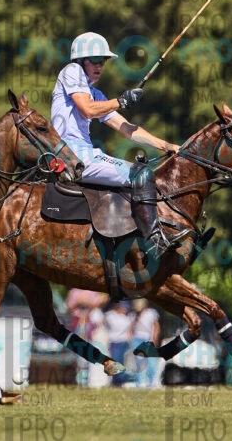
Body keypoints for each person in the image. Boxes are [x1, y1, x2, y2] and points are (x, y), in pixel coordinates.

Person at [50, 32, 192, 262]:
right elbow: (87, 109)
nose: (100, 66)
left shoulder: (95, 94)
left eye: (103, 61)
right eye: (95, 60)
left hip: (85, 154)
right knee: (141, 175)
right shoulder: (71, 71)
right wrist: (121, 100)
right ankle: (155, 239)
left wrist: (167, 145)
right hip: (72, 155)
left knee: (142, 174)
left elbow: (127, 129)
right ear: (81, 60)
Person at [129, 298, 162, 388]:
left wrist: (154, 337)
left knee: (151, 361)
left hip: (147, 339)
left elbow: (156, 326)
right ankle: (140, 382)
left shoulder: (151, 313)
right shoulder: (133, 315)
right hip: (137, 339)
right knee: (139, 362)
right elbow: (131, 329)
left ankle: (154, 381)